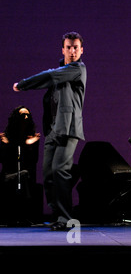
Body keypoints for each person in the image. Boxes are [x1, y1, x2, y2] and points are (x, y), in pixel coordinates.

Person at [13, 32, 87, 231]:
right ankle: (58, 213)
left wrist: (23, 85)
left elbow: (50, 75)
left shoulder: (78, 69)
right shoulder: (60, 72)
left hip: (68, 129)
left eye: (76, 47)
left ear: (81, 50)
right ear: (63, 49)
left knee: (60, 170)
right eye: (68, 47)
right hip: (53, 130)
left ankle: (66, 218)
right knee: (48, 174)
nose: (72, 51)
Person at [0, 106, 41, 225]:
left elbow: (33, 161)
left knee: (24, 176)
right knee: (19, 178)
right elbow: (4, 160)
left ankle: (23, 216)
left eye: (28, 115)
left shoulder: (33, 138)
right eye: (23, 115)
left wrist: (29, 145)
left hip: (26, 175)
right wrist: (8, 145)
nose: (26, 117)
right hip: (9, 174)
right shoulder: (5, 138)